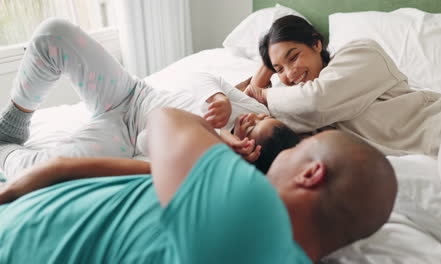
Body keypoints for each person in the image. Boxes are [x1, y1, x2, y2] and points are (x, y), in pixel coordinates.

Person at [0, 107, 397, 263]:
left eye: (303, 144)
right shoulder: (232, 221)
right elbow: (151, 175)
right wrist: (29, 183)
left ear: (311, 174)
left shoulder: (256, 214)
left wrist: (216, 138)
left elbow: (162, 118)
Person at [0, 18, 299, 179]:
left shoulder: (211, 158)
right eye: (263, 116)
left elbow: (144, 141)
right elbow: (200, 76)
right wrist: (220, 96)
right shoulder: (248, 106)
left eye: (250, 129)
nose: (251, 118)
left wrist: (216, 137)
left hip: (121, 137)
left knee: (47, 174)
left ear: (248, 152)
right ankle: (16, 118)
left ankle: (4, 150)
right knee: (54, 33)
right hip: (132, 93)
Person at [244, 15, 441, 203]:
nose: (290, 74)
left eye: (293, 57)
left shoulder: (360, 54)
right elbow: (237, 100)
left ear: (316, 44)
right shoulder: (293, 108)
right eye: (279, 69)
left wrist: (262, 92)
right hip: (438, 149)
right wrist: (262, 74)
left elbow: (316, 101)